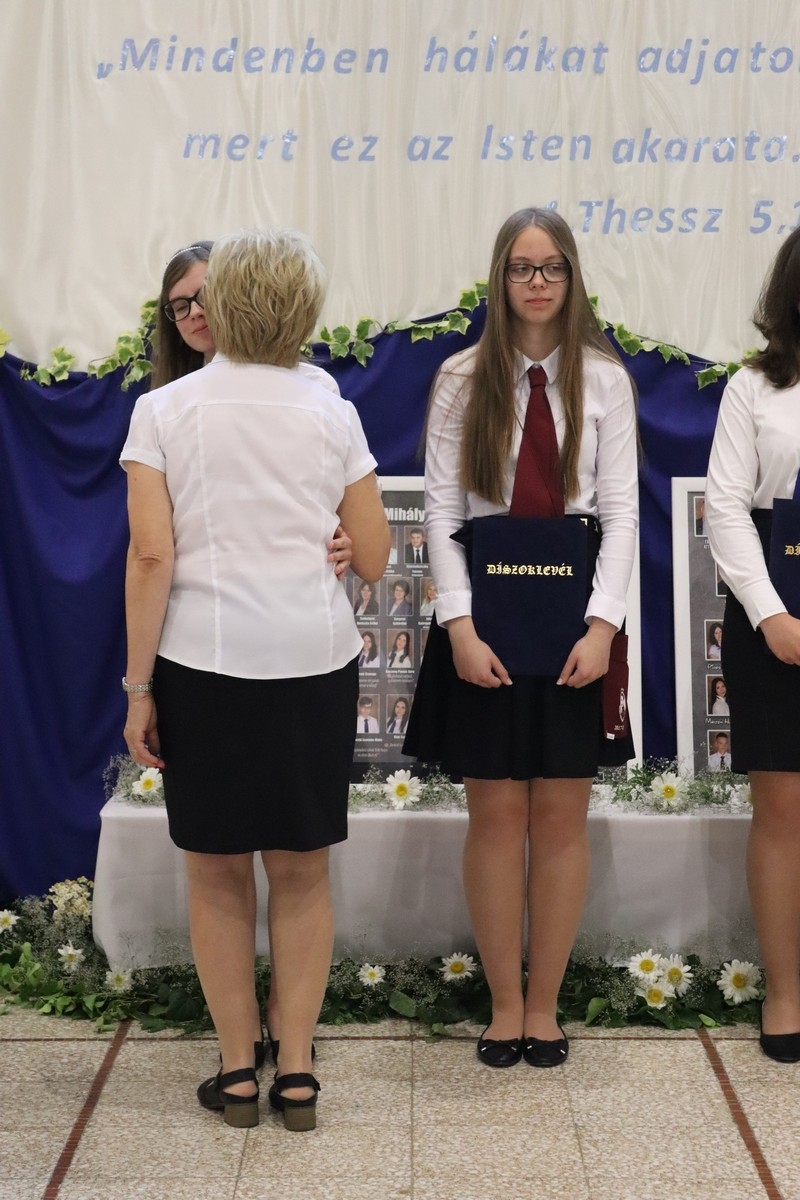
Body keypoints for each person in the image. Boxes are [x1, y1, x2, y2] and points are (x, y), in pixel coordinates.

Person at [121, 228, 390, 1128]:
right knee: (303, 873)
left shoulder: (165, 409)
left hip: (203, 664)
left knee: (217, 875)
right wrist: (341, 540)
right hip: (312, 661)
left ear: (222, 303)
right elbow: (375, 557)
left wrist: (137, 688)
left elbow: (151, 558)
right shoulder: (331, 407)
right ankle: (298, 1070)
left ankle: (239, 1069)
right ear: (304, 309)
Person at [404, 206, 638, 1070]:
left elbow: (621, 514)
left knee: (562, 818)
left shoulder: (605, 381)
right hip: (486, 624)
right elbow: (441, 509)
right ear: (499, 279)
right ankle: (505, 1005)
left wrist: (604, 626)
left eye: (552, 268)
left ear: (572, 279)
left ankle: (546, 1007)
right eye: (521, 268)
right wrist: (459, 628)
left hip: (575, 625)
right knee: (497, 816)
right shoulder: (461, 378)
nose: (537, 283)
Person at [705, 224, 800, 1063]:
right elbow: (727, 507)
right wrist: (772, 616)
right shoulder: (754, 387)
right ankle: (785, 991)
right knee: (783, 809)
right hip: (775, 611)